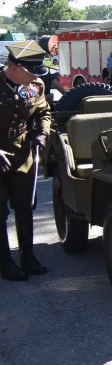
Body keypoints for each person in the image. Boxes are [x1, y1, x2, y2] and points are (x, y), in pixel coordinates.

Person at [0, 41, 51, 281]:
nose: (35, 78)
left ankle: (27, 256)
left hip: (22, 153)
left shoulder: (36, 85)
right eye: (31, 73)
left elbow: (43, 112)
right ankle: (4, 263)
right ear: (14, 67)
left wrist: (42, 132)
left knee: (25, 206)